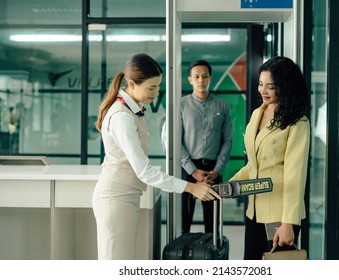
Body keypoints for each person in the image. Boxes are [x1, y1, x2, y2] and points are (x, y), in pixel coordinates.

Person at [92, 53, 220, 260]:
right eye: (151, 88)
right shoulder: (121, 117)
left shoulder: (130, 110)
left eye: (158, 86)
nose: (156, 92)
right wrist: (191, 187)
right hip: (115, 199)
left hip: (126, 198)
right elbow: (144, 171)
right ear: (132, 84)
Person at [229, 56, 311, 260]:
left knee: (277, 267)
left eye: (270, 87)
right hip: (255, 209)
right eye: (260, 84)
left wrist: (288, 223)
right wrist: (227, 186)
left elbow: (296, 175)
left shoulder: (297, 122)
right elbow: (254, 165)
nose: (262, 91)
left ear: (284, 87)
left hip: (280, 213)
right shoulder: (258, 114)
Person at [181, 60, 233, 233]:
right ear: (190, 80)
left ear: (210, 78)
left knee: (213, 224)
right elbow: (173, 141)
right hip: (188, 170)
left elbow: (228, 139)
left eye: (204, 76)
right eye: (196, 77)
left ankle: (210, 257)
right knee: (183, 221)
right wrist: (192, 170)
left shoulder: (222, 105)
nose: (200, 80)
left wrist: (218, 169)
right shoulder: (181, 105)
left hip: (213, 171)